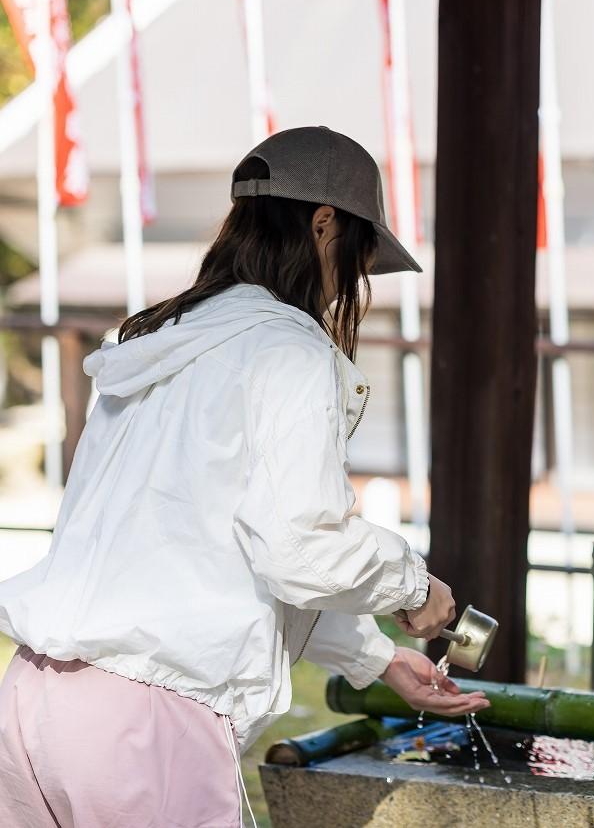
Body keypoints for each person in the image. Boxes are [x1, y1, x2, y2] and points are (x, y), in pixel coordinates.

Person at [0, 126, 489, 827]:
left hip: (35, 701)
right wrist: (414, 583)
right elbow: (299, 549)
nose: (351, 282)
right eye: (358, 256)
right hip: (147, 721)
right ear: (325, 225)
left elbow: (217, 553)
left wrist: (378, 657)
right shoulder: (288, 350)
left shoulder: (161, 340)